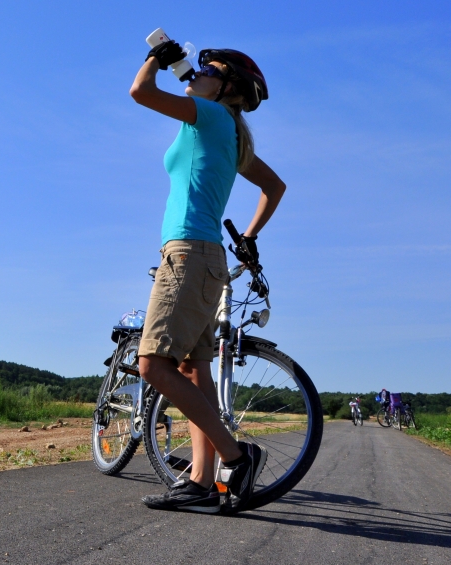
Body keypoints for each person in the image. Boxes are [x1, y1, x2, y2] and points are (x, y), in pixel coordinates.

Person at [129, 39, 286, 514]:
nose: (197, 71)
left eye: (209, 68)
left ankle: (237, 459)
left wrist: (155, 58)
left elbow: (139, 91)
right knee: (193, 373)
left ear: (229, 86)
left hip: (190, 253)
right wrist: (250, 237)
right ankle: (199, 480)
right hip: (205, 256)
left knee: (153, 365)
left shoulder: (210, 116)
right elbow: (273, 186)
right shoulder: (227, 130)